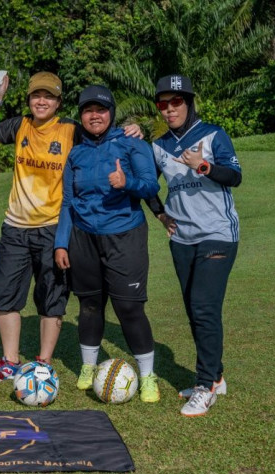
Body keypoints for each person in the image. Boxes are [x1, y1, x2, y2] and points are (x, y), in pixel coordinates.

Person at [0, 73, 143, 381]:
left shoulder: (71, 129)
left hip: (54, 227)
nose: (41, 101)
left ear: (58, 102)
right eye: (36, 95)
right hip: (14, 226)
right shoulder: (20, 125)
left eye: (49, 96)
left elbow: (102, 134)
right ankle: (10, 361)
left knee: (51, 297)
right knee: (5, 295)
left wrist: (134, 128)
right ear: (28, 99)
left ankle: (43, 361)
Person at [54, 85, 162, 403]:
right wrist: (62, 244)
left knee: (128, 307)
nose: (94, 115)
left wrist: (126, 182)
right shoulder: (76, 153)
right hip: (83, 238)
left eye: (101, 110)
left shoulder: (131, 143)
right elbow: (67, 203)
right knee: (89, 305)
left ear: (111, 113)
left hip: (125, 235)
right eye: (88, 110)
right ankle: (88, 368)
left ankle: (148, 376)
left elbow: (151, 185)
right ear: (81, 116)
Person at [147, 74, 241, 416]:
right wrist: (159, 213)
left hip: (217, 232)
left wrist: (202, 165)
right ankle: (215, 377)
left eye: (176, 102)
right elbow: (145, 184)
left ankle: (204, 387)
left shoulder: (213, 133)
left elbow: (235, 176)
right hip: (181, 237)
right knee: (193, 309)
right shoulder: (157, 145)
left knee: (204, 306)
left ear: (189, 102)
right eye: (163, 104)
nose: (170, 109)